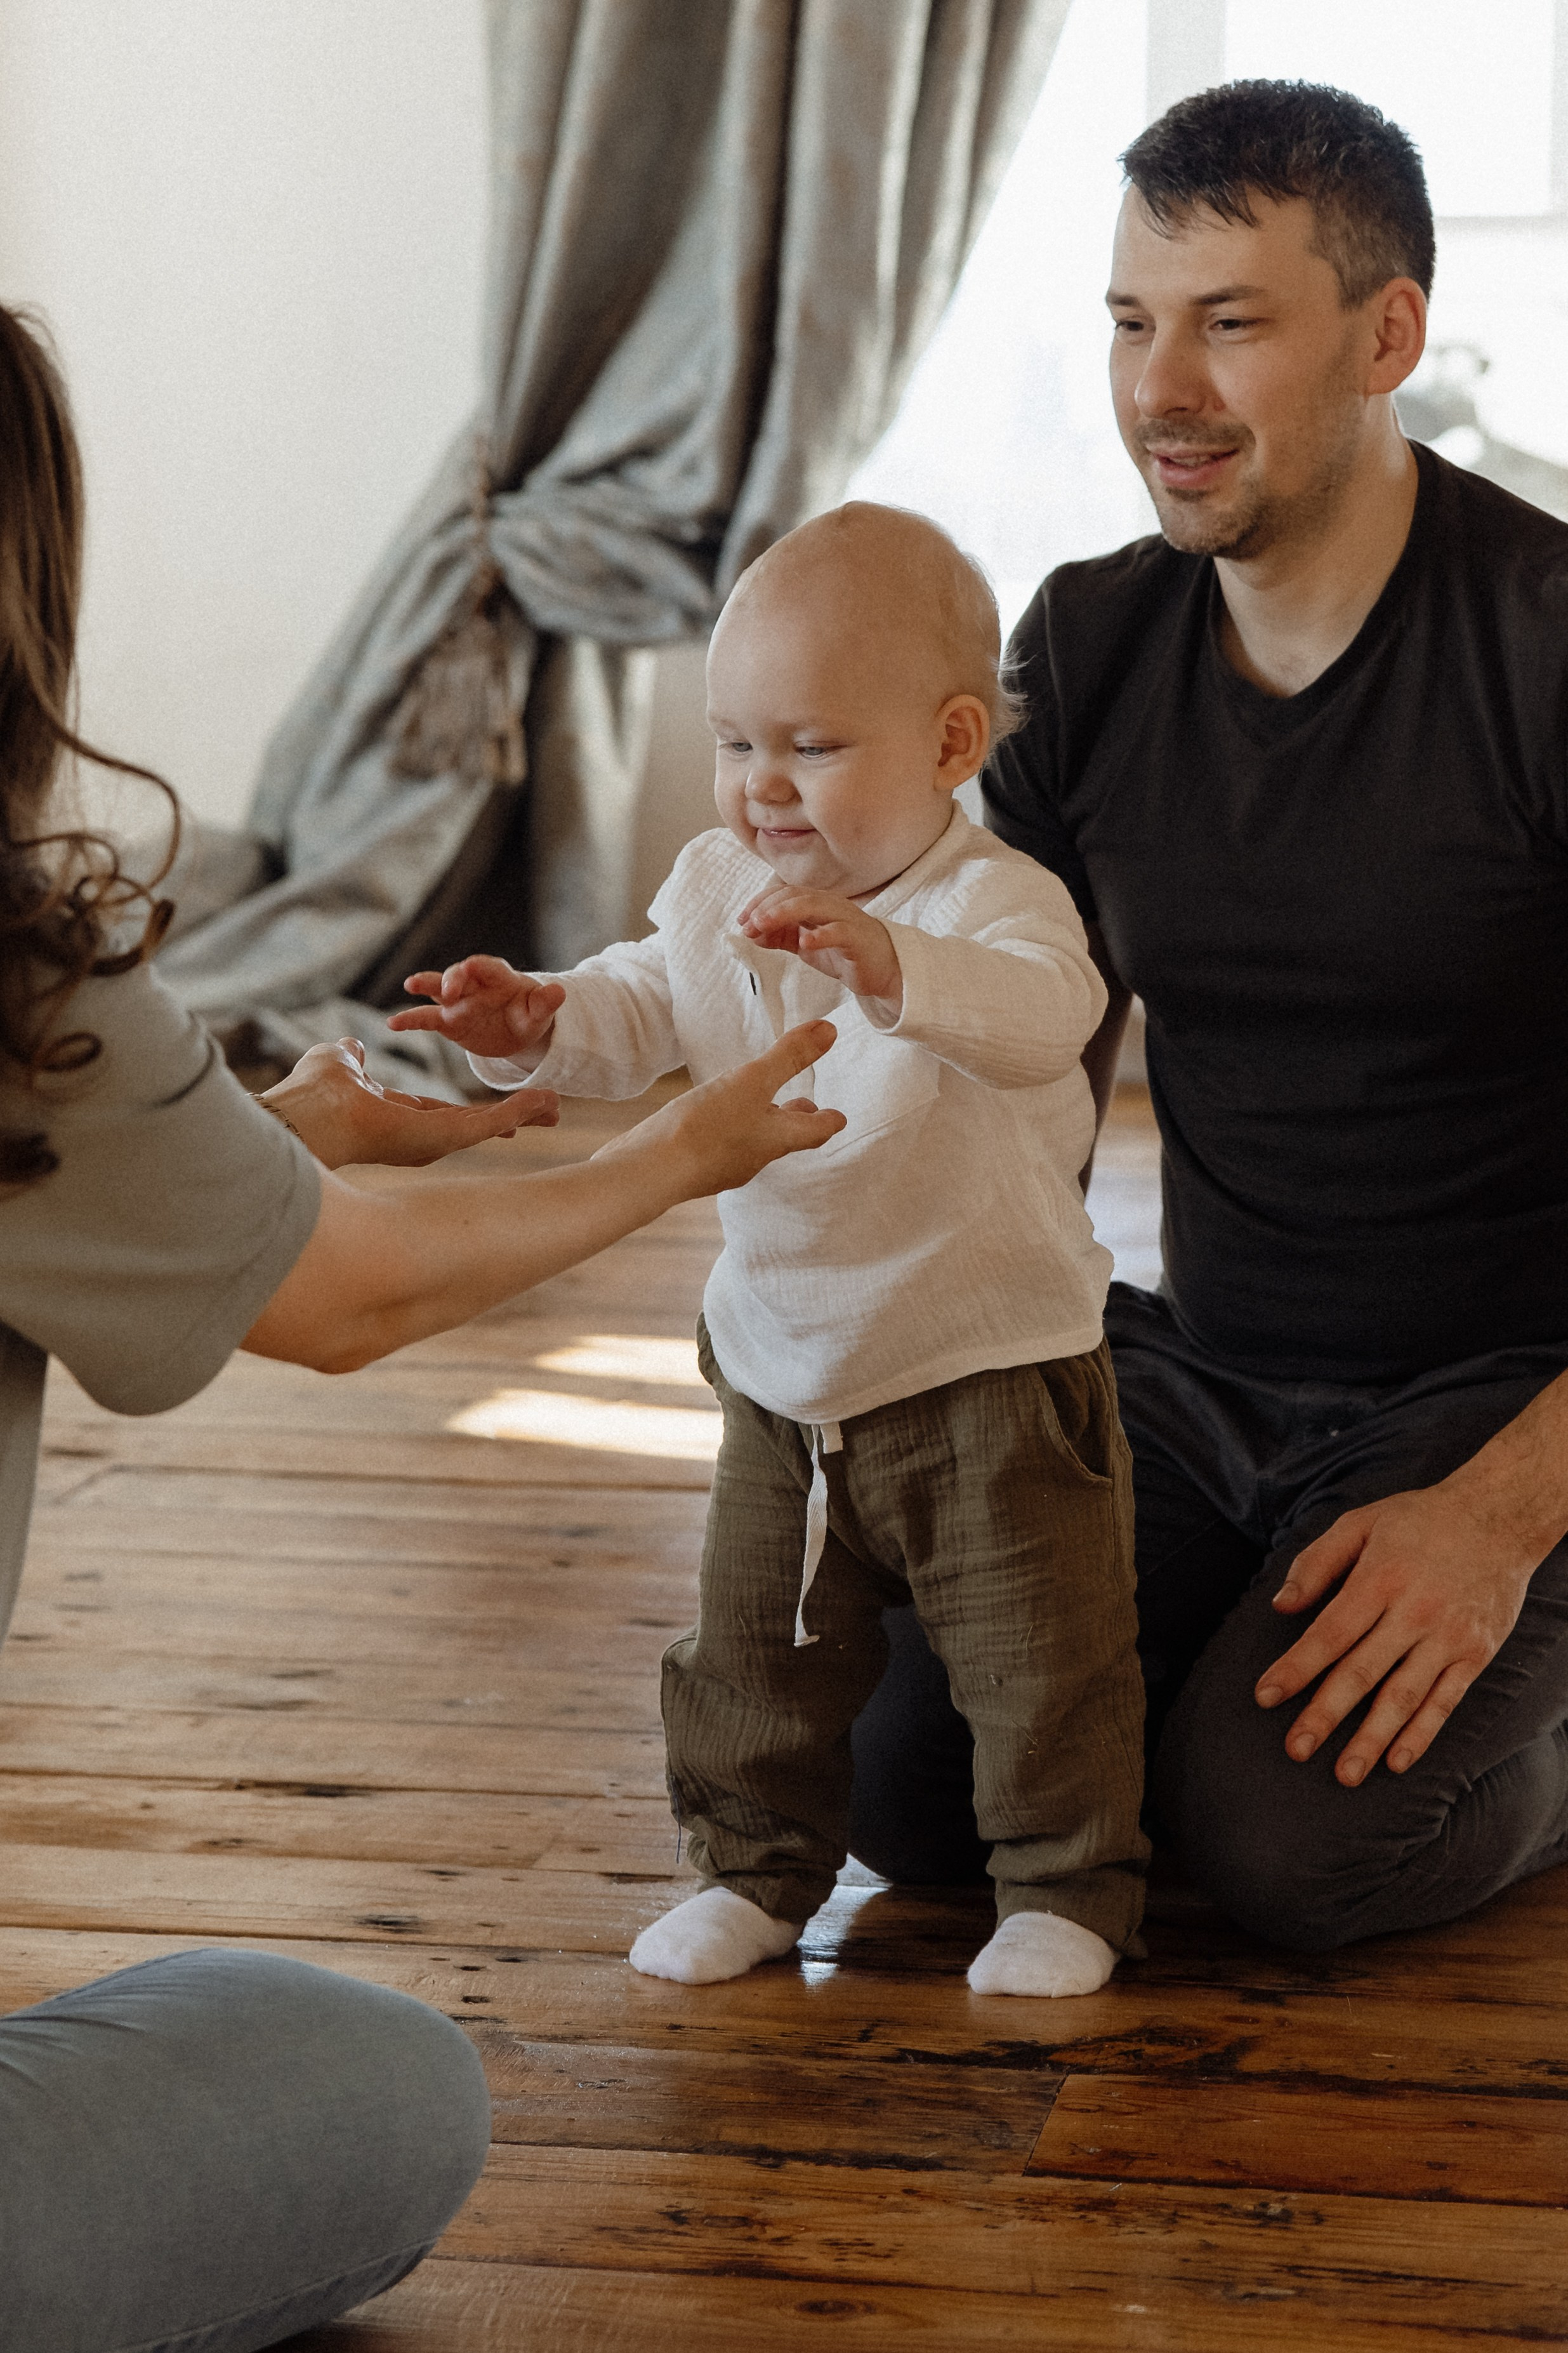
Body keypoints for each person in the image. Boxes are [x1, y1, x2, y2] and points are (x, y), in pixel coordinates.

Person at [0, 302, 841, 2353]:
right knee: (385, 2080)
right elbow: (351, 1302)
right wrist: (685, 1153)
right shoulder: (28, 1008)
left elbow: (144, 1213)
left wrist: (287, 1137)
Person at [847, 79, 1568, 1956]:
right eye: (1131, 321)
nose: (1162, 388)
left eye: (1231, 324)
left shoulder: (1549, 644)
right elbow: (1011, 1085)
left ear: (1387, 334)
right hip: (1199, 1375)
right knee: (905, 1785)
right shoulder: (1085, 649)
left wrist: (1497, 1518)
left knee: (1289, 1853)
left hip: (1506, 1406)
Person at [391, 502, 1149, 2000]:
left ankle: (1066, 1886)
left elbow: (1044, 1017)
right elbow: (649, 1003)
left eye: (808, 746)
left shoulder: (993, 904)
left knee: (1039, 1661)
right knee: (751, 1655)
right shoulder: (718, 890)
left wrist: (893, 966)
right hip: (786, 1372)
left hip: (986, 1364)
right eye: (736, 745)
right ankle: (749, 1867)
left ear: (946, 746)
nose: (761, 790)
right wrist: (538, 1020)